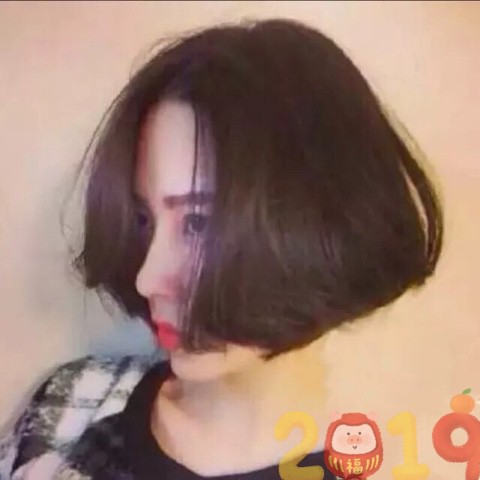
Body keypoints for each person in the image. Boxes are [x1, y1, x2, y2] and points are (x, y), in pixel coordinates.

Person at [0, 17, 443, 480]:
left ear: (322, 227)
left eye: (198, 223)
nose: (147, 279)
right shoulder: (70, 409)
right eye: (144, 220)